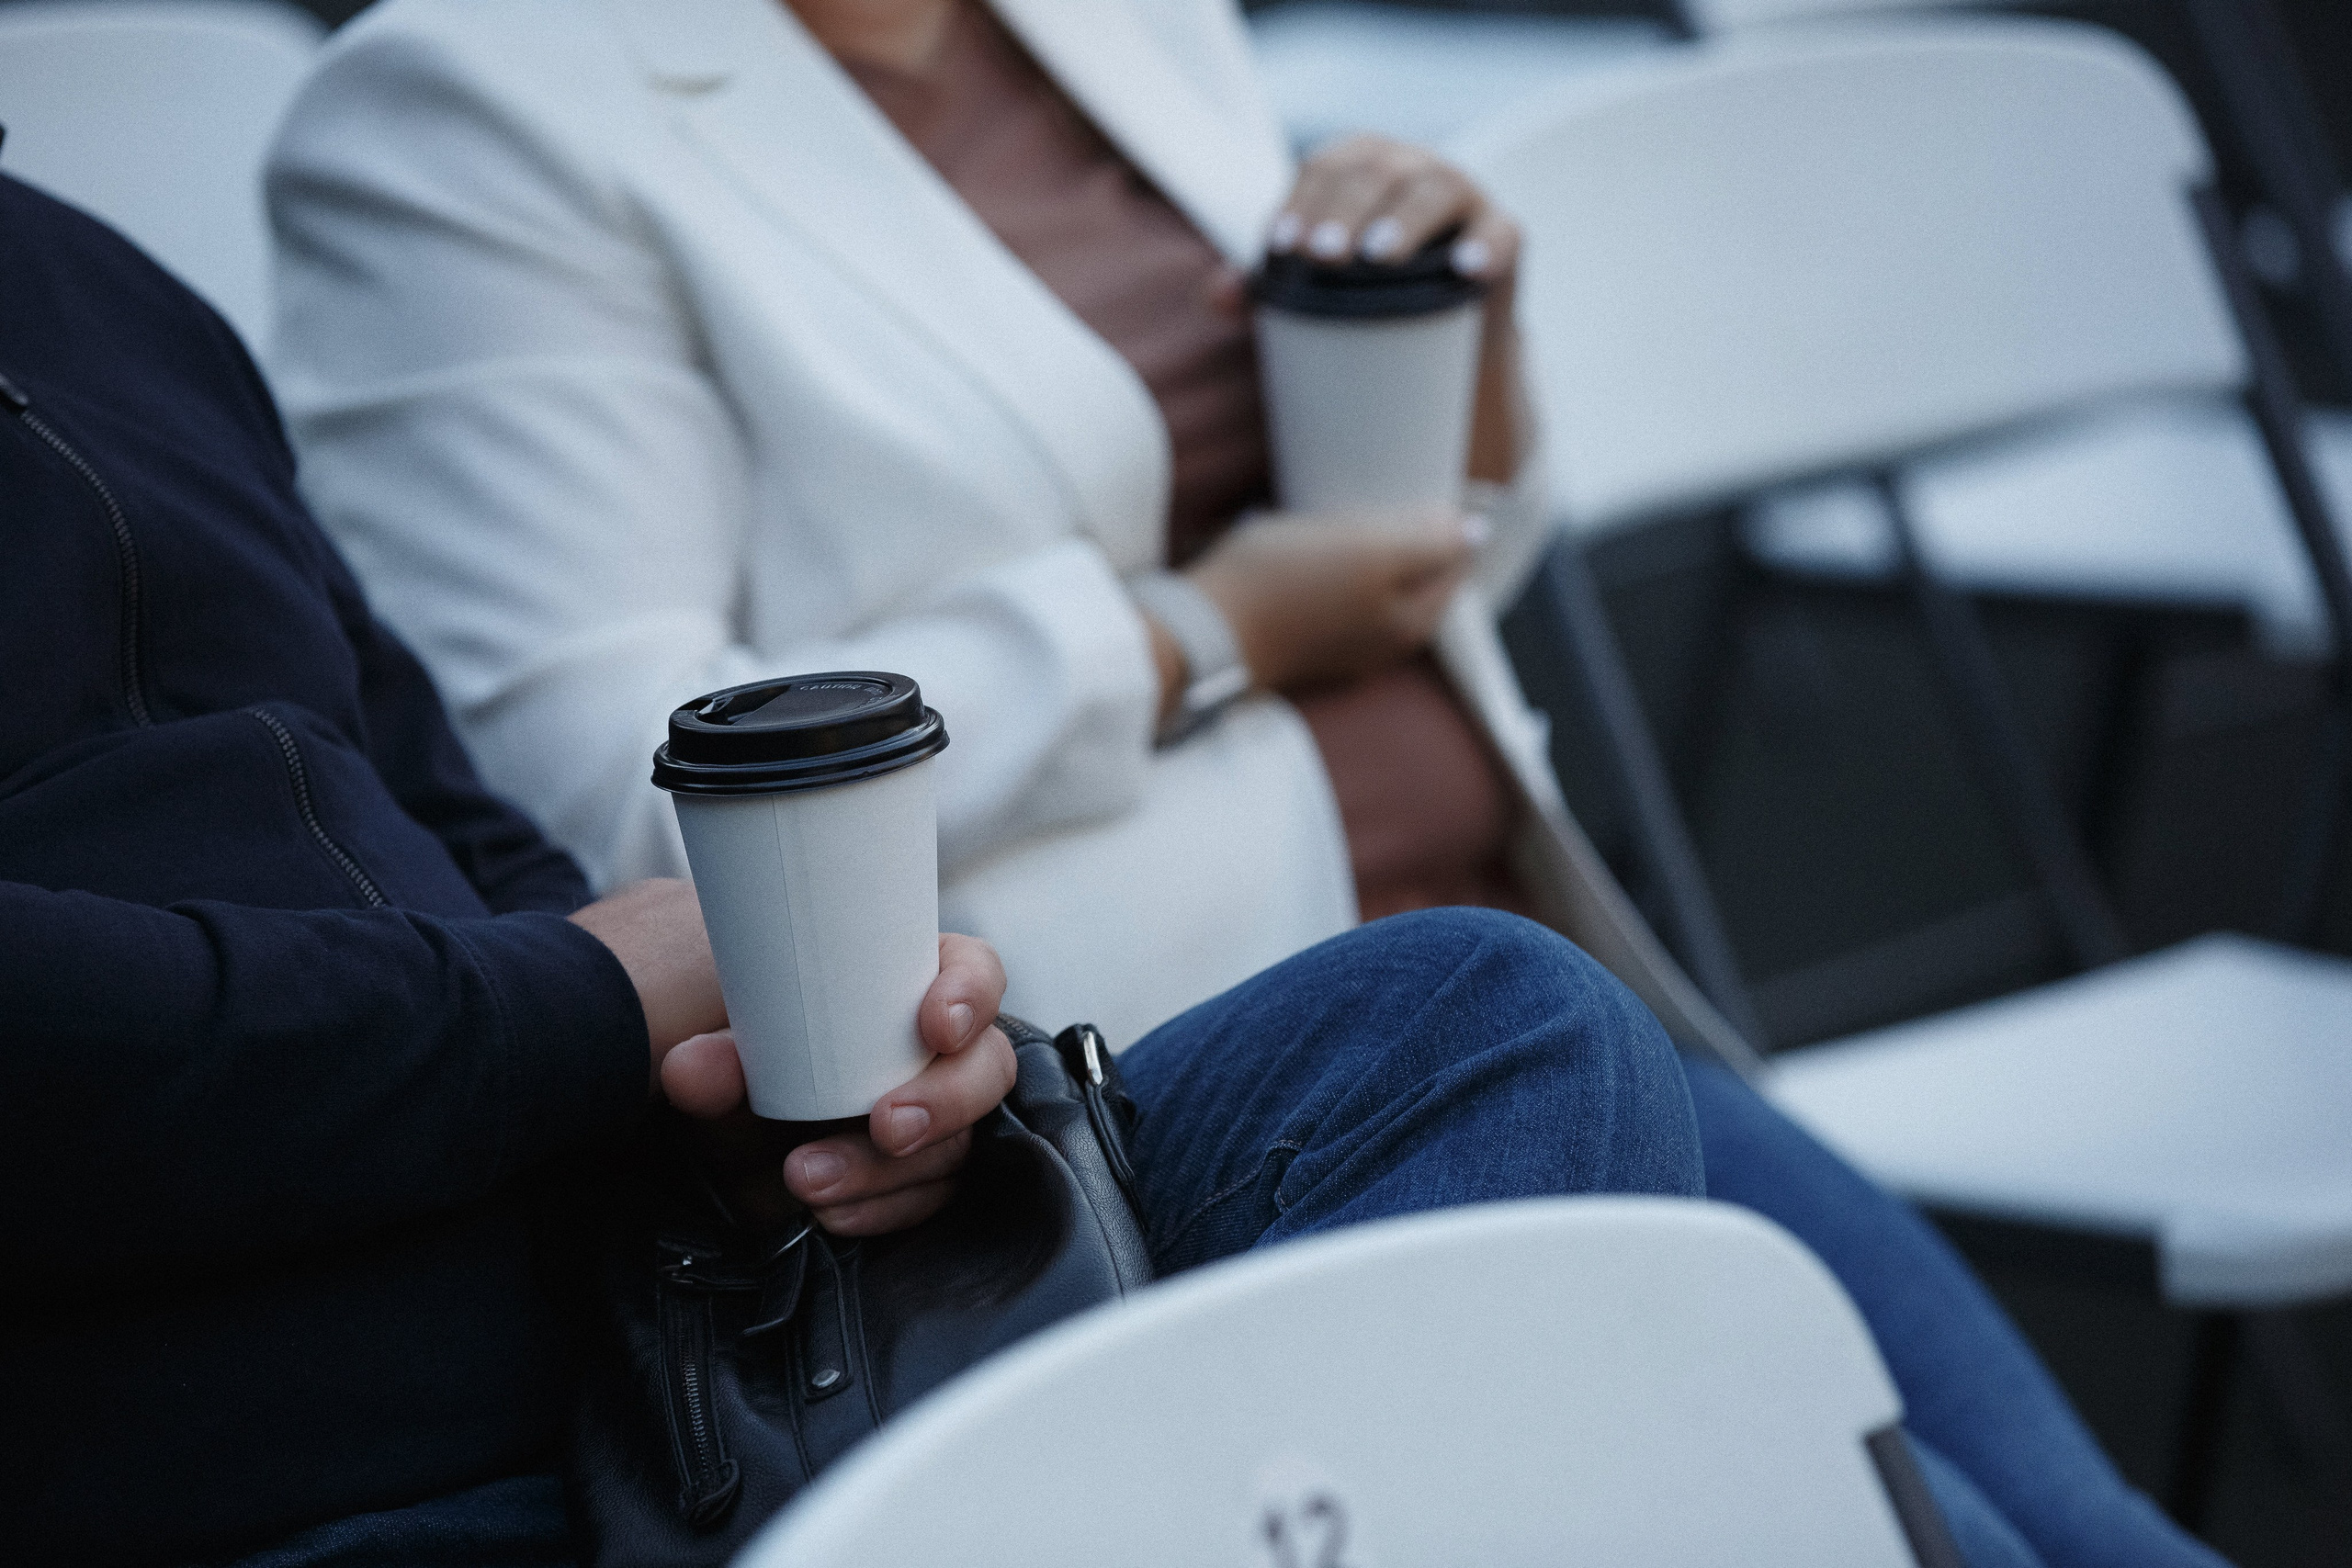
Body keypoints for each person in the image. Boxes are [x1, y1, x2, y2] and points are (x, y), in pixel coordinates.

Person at [264, 5, 2235, 1564]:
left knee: (2098, 1539)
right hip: (1197, 1117)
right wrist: (1189, 631)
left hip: (1537, 1004)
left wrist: (1463, 364)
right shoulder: (459, 109)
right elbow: (615, 797)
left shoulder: (1102, 13)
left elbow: (1396, 553)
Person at [0, 168, 1705, 1566]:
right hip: (279, 1477)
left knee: (1494, 1028)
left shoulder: (90, 277)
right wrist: (592, 1009)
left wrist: (732, 1089)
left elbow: (452, 811)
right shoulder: (476, 123)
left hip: (679, 1332)